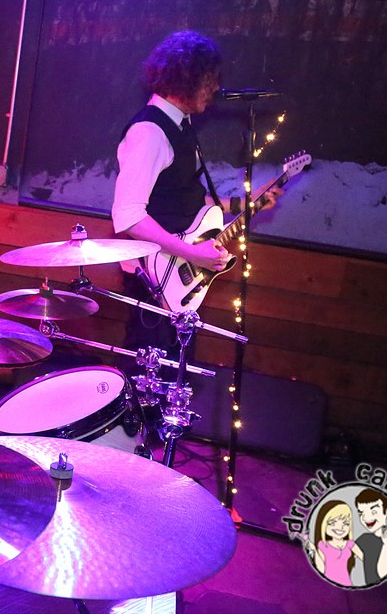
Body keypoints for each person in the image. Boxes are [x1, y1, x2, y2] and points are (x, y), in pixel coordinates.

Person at [111, 30, 280, 368]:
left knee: (176, 376)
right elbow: (128, 215)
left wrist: (245, 203)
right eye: (208, 80)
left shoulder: (180, 125)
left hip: (177, 276)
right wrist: (191, 252)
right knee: (151, 376)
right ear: (185, 80)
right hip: (155, 277)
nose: (215, 88)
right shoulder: (150, 132)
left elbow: (183, 197)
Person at [298, 500, 363, 587]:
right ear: (323, 524)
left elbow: (366, 559)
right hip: (326, 584)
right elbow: (321, 569)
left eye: (346, 523)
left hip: (346, 583)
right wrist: (313, 550)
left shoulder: (350, 544)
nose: (340, 527)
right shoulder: (322, 545)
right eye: (332, 523)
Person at [354, 488, 387, 586]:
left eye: (373, 512)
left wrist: (386, 544)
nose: (366, 518)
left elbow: (383, 575)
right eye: (361, 513)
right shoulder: (364, 539)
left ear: (386, 512)